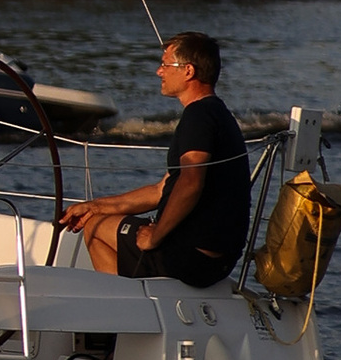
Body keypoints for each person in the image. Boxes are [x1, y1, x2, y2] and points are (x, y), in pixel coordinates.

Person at [59, 30, 251, 285]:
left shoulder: (198, 117)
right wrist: (94, 206)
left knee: (95, 229)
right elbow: (161, 190)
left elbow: (191, 182)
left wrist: (156, 236)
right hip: (218, 258)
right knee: (96, 218)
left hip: (194, 258)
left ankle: (119, 316)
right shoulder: (217, 113)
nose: (159, 72)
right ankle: (131, 304)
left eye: (165, 64)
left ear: (188, 71)